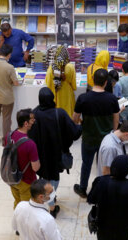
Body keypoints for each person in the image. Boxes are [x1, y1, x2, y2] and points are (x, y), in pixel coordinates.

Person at [28, 87, 81, 218]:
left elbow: (30, 135)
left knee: (44, 177)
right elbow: (73, 133)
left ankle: (46, 197)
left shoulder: (34, 114)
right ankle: (51, 206)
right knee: (54, 178)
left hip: (40, 155)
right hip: (56, 154)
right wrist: (81, 126)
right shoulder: (60, 113)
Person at [73, 69, 121, 198]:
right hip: (105, 139)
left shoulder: (83, 98)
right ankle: (102, 189)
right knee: (104, 165)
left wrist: (82, 123)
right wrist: (113, 132)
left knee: (86, 164)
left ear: (93, 79)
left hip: (88, 138)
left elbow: (75, 119)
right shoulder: (111, 98)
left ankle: (83, 188)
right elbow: (116, 118)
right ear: (106, 82)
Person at [87, 155, 128, 240]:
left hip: (104, 225)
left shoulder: (100, 181)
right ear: (127, 170)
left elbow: (91, 199)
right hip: (124, 227)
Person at [6, 109, 40, 209]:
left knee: (17, 201)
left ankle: (16, 216)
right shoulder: (30, 144)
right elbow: (35, 168)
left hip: (12, 177)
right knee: (26, 207)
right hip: (26, 180)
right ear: (26, 123)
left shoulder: (9, 136)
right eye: (31, 120)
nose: (33, 121)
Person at [45, 45, 76, 117]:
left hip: (55, 94)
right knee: (68, 114)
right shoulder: (70, 67)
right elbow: (74, 85)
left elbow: (48, 82)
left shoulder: (51, 67)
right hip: (67, 94)